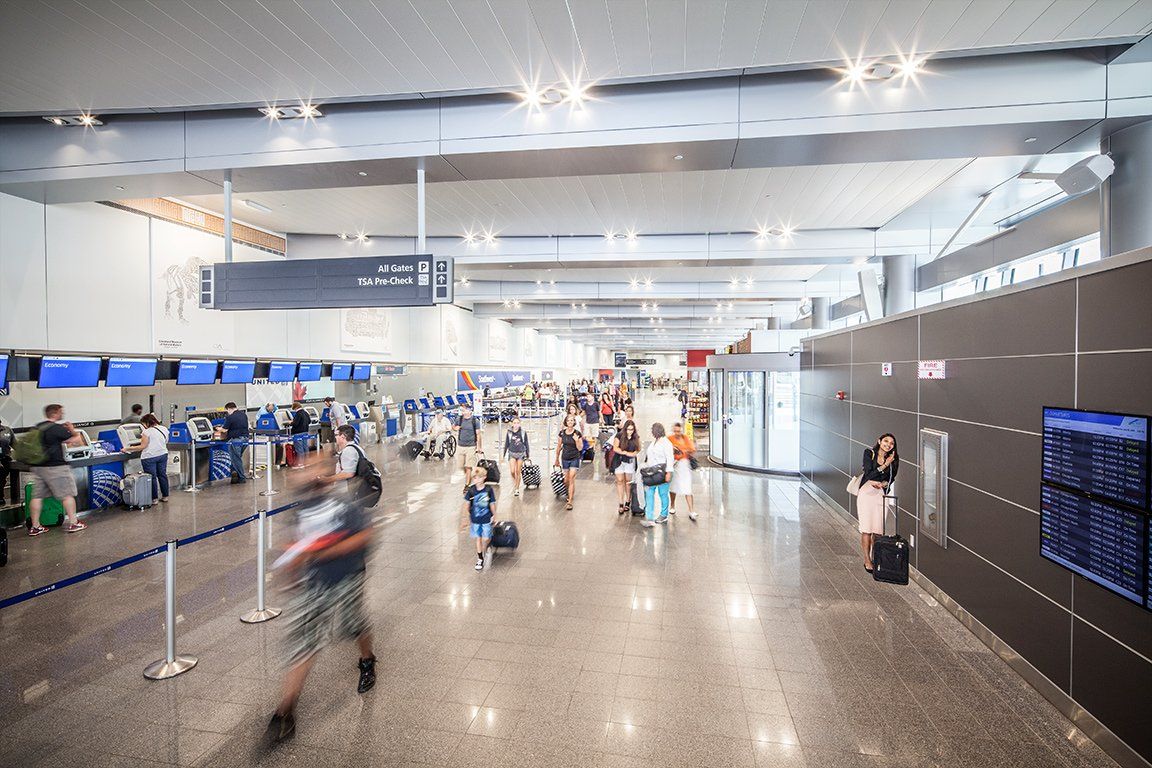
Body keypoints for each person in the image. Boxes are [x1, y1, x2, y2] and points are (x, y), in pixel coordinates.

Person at [268, 429, 377, 743]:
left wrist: (323, 551)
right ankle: (285, 711)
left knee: (353, 625)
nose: (306, 471)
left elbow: (364, 536)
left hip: (347, 577)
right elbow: (293, 543)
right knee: (304, 643)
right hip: (315, 583)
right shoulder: (302, 509)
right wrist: (290, 572)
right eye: (304, 467)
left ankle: (367, 659)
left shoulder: (344, 505)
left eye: (313, 467)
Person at [26, 404, 87, 536]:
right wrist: (72, 429)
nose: (62, 414)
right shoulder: (56, 428)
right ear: (55, 413)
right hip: (56, 467)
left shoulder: (37, 427)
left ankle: (35, 526)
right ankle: (74, 522)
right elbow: (77, 441)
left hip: (38, 467)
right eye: (61, 412)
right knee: (67, 495)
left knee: (37, 497)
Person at [857, 433, 899, 573]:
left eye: (891, 443)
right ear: (879, 441)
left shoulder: (894, 458)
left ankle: (877, 558)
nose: (888, 444)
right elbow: (869, 474)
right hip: (866, 492)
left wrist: (884, 483)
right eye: (886, 441)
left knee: (878, 530)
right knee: (866, 529)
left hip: (880, 494)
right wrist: (885, 465)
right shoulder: (869, 453)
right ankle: (867, 560)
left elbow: (892, 477)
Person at [122, 414, 170, 503]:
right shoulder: (164, 429)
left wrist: (127, 448)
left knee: (152, 477)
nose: (143, 426)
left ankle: (154, 499)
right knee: (162, 475)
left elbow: (142, 446)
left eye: (144, 424)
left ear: (147, 422)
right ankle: (165, 496)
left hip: (149, 457)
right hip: (163, 455)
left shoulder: (146, 432)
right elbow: (166, 441)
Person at [460, 465, 497, 571]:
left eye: (479, 477)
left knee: (486, 538)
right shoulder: (471, 491)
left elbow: (492, 504)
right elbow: (466, 505)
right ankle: (480, 558)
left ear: (484, 477)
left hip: (486, 518)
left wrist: (494, 515)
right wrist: (465, 519)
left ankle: (488, 544)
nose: (476, 480)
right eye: (475, 478)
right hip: (475, 520)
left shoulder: (488, 490)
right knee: (478, 539)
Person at [639, 422, 675, 528]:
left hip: (663, 472)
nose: (652, 432)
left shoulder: (666, 443)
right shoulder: (654, 442)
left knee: (663, 494)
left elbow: (670, 458)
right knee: (649, 493)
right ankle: (649, 517)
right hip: (653, 473)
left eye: (653, 430)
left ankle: (664, 515)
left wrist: (669, 472)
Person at [667, 422, 697, 521]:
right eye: (675, 431)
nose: (677, 433)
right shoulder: (670, 439)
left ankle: (691, 510)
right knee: (673, 487)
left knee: (688, 488)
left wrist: (683, 451)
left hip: (684, 465)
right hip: (675, 465)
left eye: (679, 431)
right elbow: (666, 450)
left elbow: (692, 449)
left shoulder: (685, 438)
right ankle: (672, 506)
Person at [611, 420, 641, 515]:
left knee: (628, 482)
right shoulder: (619, 435)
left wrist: (632, 454)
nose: (630, 431)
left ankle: (628, 501)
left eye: (632, 429)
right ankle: (621, 503)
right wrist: (625, 453)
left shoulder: (635, 437)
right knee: (620, 481)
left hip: (630, 462)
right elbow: (615, 448)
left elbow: (638, 449)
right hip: (619, 460)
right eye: (628, 429)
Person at [553, 414, 583, 510]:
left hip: (575, 458)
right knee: (566, 480)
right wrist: (556, 459)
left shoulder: (577, 433)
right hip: (565, 458)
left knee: (572, 477)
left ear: (574, 422)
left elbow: (580, 448)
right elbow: (559, 446)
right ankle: (569, 492)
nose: (570, 422)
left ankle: (570, 501)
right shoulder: (562, 433)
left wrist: (577, 441)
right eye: (568, 420)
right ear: (566, 422)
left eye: (572, 420)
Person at [218, 402, 250, 483]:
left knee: (236, 459)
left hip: (236, 440)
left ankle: (242, 478)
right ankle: (234, 475)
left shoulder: (230, 417)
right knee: (236, 458)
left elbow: (224, 430)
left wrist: (218, 429)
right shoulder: (243, 415)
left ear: (229, 408)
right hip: (245, 439)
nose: (227, 412)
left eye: (227, 410)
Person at [452, 401, 483, 486]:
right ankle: (469, 477)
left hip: (471, 446)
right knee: (461, 467)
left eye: (465, 410)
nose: (463, 411)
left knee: (468, 466)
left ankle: (467, 485)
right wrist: (455, 428)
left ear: (470, 411)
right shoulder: (460, 419)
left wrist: (479, 447)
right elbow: (453, 427)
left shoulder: (475, 421)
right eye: (463, 410)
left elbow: (478, 434)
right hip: (461, 446)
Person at [502, 416, 530, 496]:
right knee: (512, 471)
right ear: (512, 424)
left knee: (518, 471)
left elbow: (526, 443)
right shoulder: (509, 432)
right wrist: (503, 455)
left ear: (520, 424)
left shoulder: (523, 432)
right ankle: (516, 481)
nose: (516, 425)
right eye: (514, 423)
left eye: (518, 423)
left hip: (521, 454)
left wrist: (528, 454)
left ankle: (517, 488)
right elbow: (506, 443)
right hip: (512, 453)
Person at [0, 417, 20, 506]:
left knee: (3, 477)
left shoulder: (7, 430)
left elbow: (15, 444)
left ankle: (3, 497)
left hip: (5, 458)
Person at [290, 401, 311, 468]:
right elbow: (309, 421)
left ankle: (300, 464)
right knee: (305, 447)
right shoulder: (305, 412)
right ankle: (306, 462)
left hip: (298, 433)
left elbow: (295, 423)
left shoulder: (298, 413)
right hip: (305, 432)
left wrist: (290, 423)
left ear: (295, 407)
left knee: (299, 449)